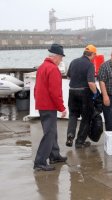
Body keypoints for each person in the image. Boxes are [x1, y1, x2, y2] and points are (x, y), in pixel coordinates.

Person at [34, 43, 67, 171]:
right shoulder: (53, 69)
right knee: (49, 133)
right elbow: (55, 92)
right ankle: (40, 162)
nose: (61, 60)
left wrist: (39, 101)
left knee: (52, 132)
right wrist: (62, 108)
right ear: (57, 56)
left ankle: (54, 155)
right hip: (49, 106)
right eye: (61, 57)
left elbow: (37, 88)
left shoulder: (42, 67)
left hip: (43, 105)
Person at [66, 44, 98, 148]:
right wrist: (96, 94)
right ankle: (80, 142)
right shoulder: (90, 65)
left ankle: (70, 135)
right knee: (86, 117)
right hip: (84, 93)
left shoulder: (74, 61)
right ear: (92, 54)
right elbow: (91, 83)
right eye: (95, 55)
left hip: (72, 92)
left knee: (73, 115)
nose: (94, 57)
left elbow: (68, 76)